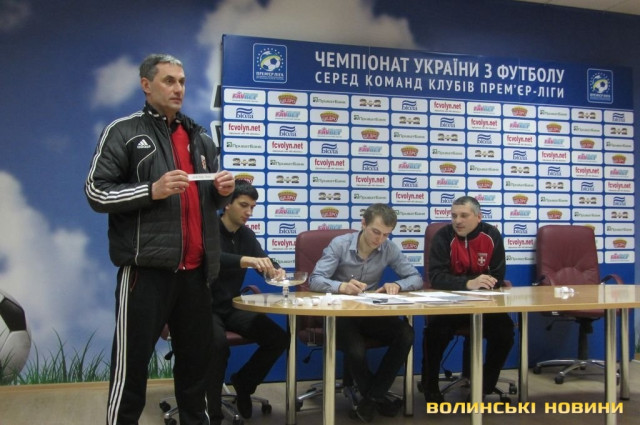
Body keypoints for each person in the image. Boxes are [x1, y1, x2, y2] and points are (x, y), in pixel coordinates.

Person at [85, 53, 235, 425]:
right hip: (145, 273)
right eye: (169, 81)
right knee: (132, 367)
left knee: (196, 370)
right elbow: (96, 193)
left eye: (182, 81)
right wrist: (151, 190)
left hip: (196, 275)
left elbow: (206, 202)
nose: (178, 88)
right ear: (146, 85)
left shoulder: (200, 137)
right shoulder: (123, 131)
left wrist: (221, 193)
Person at [309, 203, 422, 423]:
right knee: (356, 349)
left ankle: (371, 399)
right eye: (376, 232)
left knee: (406, 333)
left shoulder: (388, 247)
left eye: (386, 234)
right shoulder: (340, 244)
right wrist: (341, 287)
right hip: (339, 314)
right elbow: (315, 279)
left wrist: (398, 285)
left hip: (369, 312)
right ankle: (377, 398)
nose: (380, 239)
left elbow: (415, 278)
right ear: (363, 224)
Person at [207, 180, 288, 423]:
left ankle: (244, 383)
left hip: (231, 306)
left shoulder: (246, 235)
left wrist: (274, 270)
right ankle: (212, 411)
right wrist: (246, 260)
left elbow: (262, 260)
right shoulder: (208, 228)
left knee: (278, 338)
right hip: (203, 308)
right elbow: (213, 258)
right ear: (226, 204)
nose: (249, 212)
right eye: (244, 205)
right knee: (217, 346)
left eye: (252, 207)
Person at [422, 196, 514, 403]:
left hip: (484, 305)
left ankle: (484, 386)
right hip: (451, 305)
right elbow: (436, 277)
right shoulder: (442, 236)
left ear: (478, 217)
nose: (458, 221)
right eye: (454, 216)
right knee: (435, 333)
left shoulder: (491, 235)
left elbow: (497, 275)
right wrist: (468, 283)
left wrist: (482, 284)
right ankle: (430, 385)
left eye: (464, 215)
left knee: (505, 332)